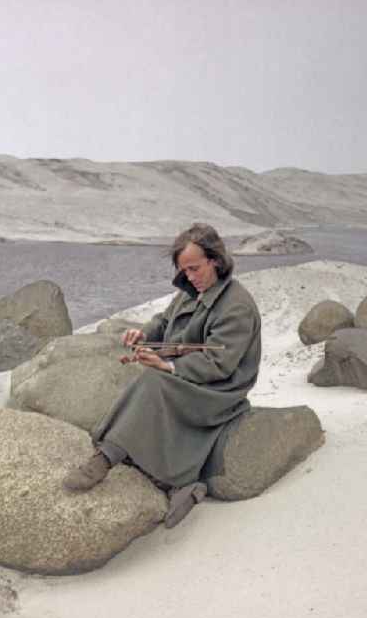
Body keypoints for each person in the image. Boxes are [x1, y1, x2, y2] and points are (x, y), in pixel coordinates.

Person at [62, 222, 262, 527]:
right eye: (185, 271)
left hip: (220, 389)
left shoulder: (236, 306)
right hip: (194, 375)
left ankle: (106, 457)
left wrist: (168, 366)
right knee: (141, 377)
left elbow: (218, 363)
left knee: (153, 382)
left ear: (216, 261)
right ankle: (176, 482)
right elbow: (163, 321)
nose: (189, 277)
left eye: (195, 269)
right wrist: (142, 335)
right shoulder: (191, 291)